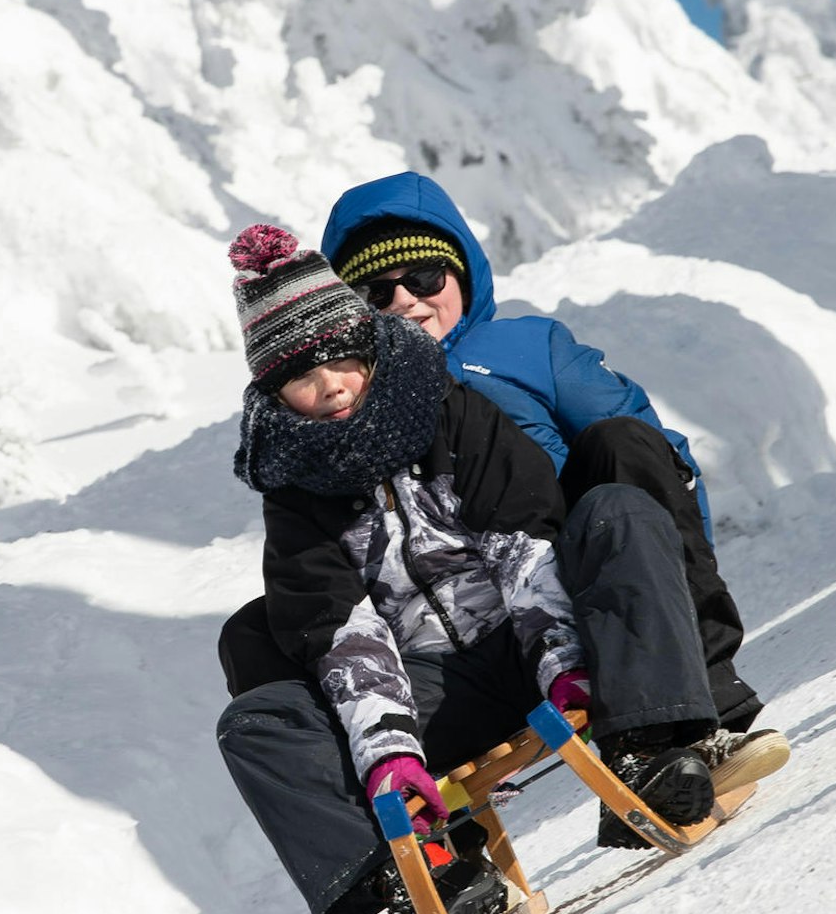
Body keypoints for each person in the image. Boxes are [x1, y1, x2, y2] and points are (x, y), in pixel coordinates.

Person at [213, 224, 739, 914]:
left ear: (367, 343)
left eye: (339, 357)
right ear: (272, 393)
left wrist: (566, 666)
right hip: (432, 686)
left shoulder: (452, 412)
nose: (329, 385)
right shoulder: (295, 493)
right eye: (300, 375)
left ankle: (652, 746)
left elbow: (523, 547)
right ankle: (423, 876)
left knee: (617, 513)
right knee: (255, 716)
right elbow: (345, 635)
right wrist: (391, 757)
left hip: (533, 642)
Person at [317, 173, 775, 749]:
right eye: (377, 293)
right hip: (475, 619)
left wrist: (675, 581)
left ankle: (701, 694)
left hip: (593, 559)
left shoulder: (527, 348)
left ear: (460, 273)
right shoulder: (351, 403)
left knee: (621, 442)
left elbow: (657, 463)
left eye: (424, 276)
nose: (406, 299)